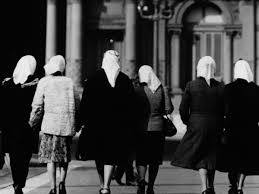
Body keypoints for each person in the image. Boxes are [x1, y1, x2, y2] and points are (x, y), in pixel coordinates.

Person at [78, 50, 136, 194]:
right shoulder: (124, 80)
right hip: (117, 126)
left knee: (99, 156)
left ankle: (102, 184)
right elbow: (131, 105)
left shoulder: (93, 78)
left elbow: (85, 103)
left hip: (96, 125)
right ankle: (106, 186)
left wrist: (81, 121)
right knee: (110, 155)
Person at [171, 56, 224, 194]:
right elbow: (225, 109)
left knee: (201, 155)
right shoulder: (220, 87)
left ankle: (204, 187)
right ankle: (211, 186)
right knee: (211, 156)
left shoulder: (191, 85)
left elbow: (183, 108)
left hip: (197, 124)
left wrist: (188, 122)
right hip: (215, 125)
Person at [29, 55, 77, 194]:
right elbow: (77, 102)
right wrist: (76, 121)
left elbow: (37, 106)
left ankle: (52, 187)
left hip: (50, 126)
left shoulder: (44, 82)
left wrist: (32, 122)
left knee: (51, 159)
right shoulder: (69, 82)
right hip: (66, 126)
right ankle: (62, 182)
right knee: (64, 157)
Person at [218, 59, 259, 194]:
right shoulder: (255, 89)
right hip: (250, 129)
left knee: (232, 158)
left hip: (232, 129)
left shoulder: (228, 88)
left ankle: (232, 185)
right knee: (245, 160)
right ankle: (240, 186)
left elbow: (222, 110)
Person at [0, 55, 38, 194]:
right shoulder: (34, 84)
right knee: (25, 156)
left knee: (12, 155)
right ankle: (20, 182)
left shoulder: (6, 84)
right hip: (26, 127)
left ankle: (16, 182)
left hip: (8, 126)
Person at [134, 65, 174, 194]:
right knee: (154, 160)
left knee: (141, 158)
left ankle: (141, 182)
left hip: (142, 128)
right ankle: (150, 186)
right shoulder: (162, 89)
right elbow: (169, 109)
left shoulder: (138, 90)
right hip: (158, 128)